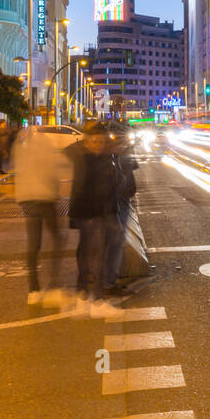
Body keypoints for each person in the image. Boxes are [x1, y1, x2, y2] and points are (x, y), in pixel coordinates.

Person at [11, 125, 73, 307]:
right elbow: (53, 171)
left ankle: (33, 290)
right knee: (57, 238)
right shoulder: (45, 147)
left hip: (27, 200)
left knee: (33, 244)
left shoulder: (20, 148)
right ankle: (53, 285)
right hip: (45, 199)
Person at [67, 123, 124, 317]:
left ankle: (83, 294)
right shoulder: (88, 160)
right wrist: (92, 214)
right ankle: (97, 300)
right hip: (92, 213)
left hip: (96, 212)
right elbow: (84, 189)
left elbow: (113, 184)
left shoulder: (101, 158)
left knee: (87, 251)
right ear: (86, 142)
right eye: (95, 141)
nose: (99, 144)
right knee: (95, 255)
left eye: (102, 141)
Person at [103, 127, 139, 296]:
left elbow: (131, 170)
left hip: (121, 196)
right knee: (116, 238)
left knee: (117, 237)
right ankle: (110, 278)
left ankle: (113, 274)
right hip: (116, 198)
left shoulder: (120, 153)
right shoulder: (110, 156)